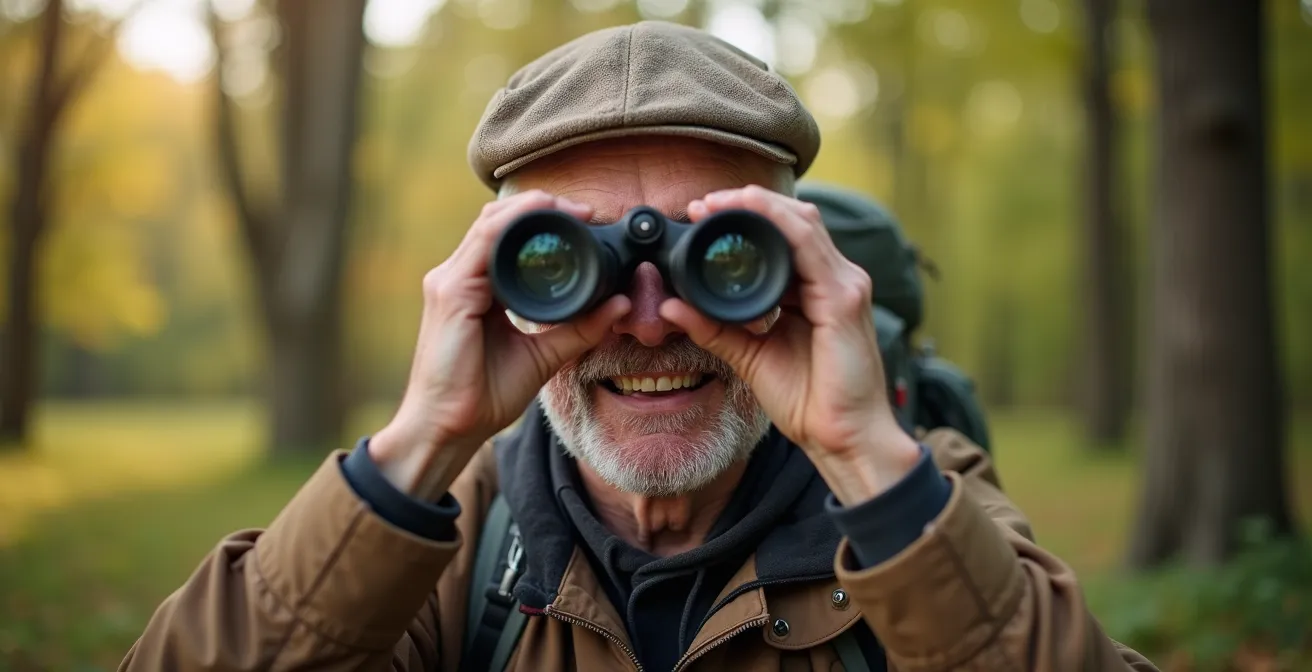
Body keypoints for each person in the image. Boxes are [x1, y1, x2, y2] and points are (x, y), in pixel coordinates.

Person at [121, 21, 1157, 672]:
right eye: (577, 258)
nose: (653, 318)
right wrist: (419, 445)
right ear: (493, 278)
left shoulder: (919, 502)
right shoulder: (447, 537)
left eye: (723, 255)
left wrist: (861, 450)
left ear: (803, 266)